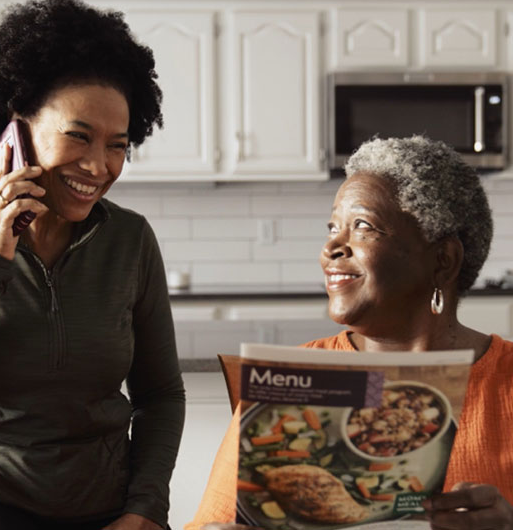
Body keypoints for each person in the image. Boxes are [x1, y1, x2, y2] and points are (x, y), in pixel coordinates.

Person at [0, 0, 185, 530]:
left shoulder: (129, 240)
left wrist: (146, 508)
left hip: (103, 499)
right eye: (78, 136)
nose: (98, 165)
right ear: (14, 130)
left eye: (117, 145)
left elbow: (160, 394)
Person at [186, 136, 513, 530]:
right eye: (332, 227)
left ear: (443, 260)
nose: (331, 247)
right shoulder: (289, 381)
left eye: (363, 227)